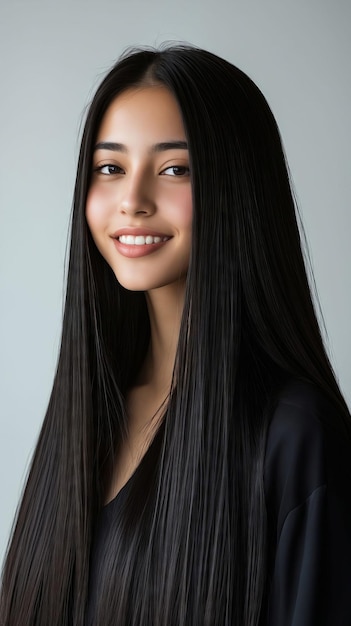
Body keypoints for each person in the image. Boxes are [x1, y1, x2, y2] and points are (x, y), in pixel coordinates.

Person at [1, 45, 350, 626]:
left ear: (237, 189)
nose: (132, 202)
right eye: (110, 169)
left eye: (174, 170)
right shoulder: (92, 410)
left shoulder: (294, 438)